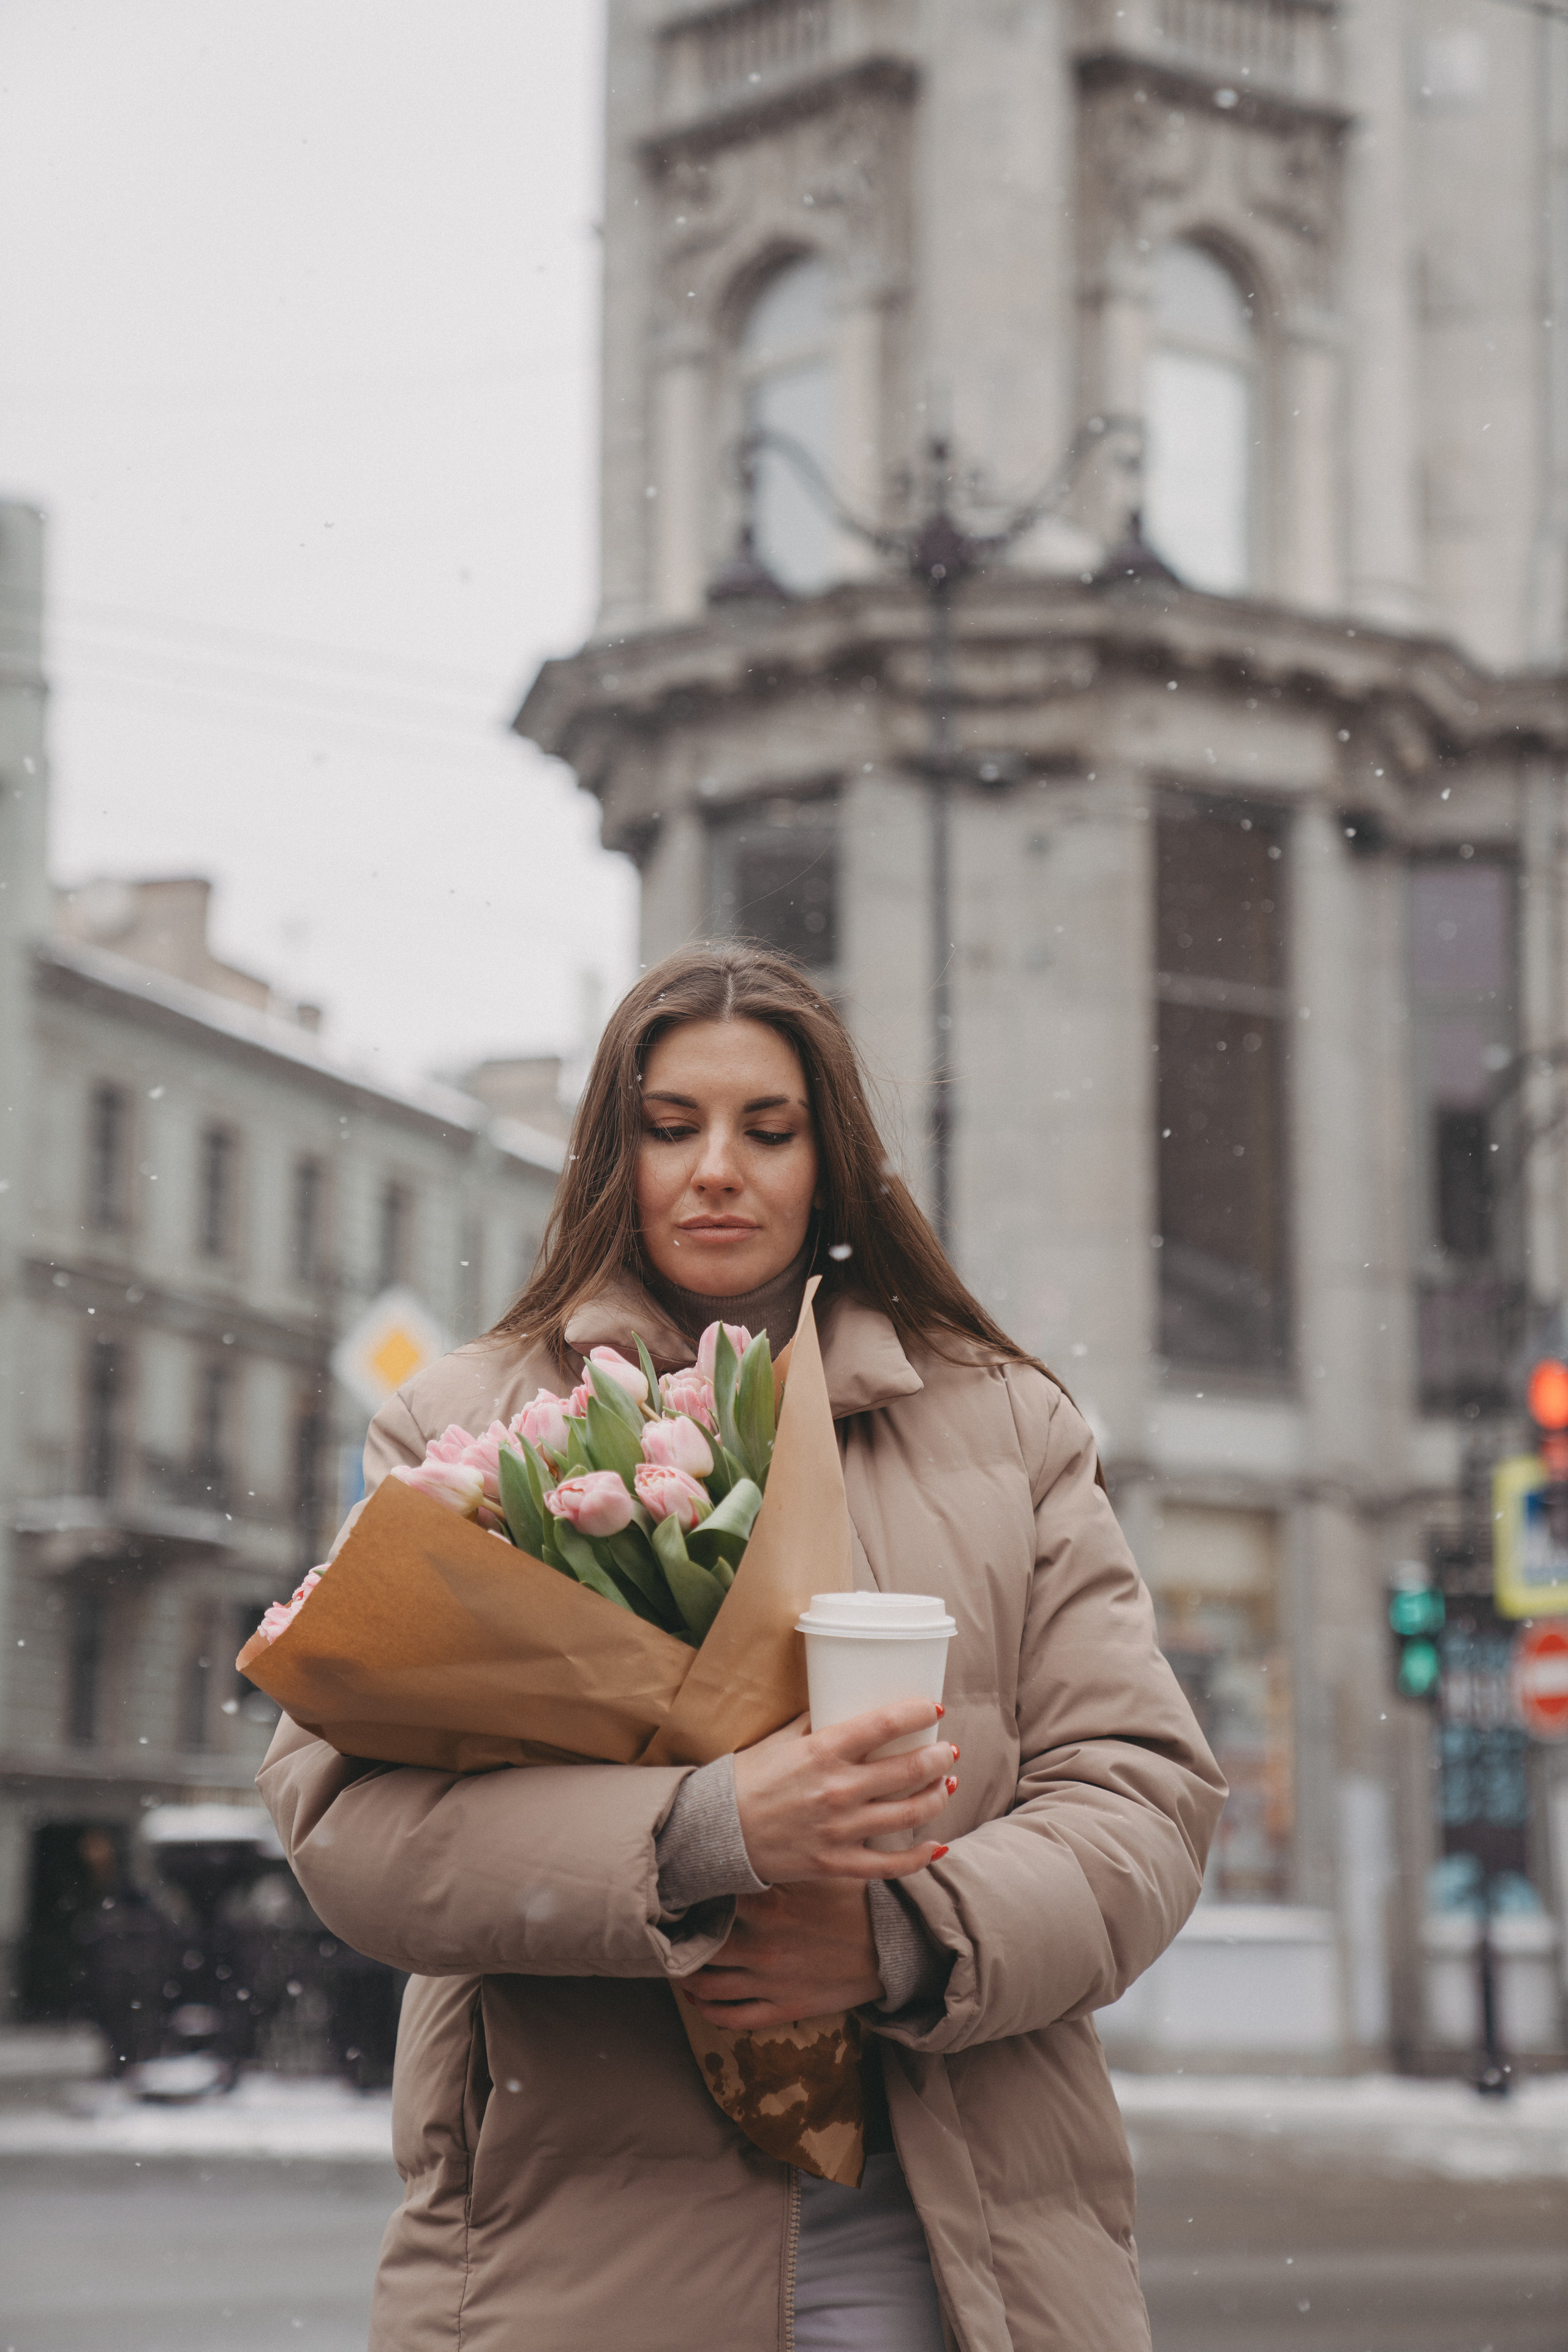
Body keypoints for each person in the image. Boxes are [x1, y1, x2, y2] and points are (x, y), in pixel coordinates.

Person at [259, 943, 1225, 2352]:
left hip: (958, 2254)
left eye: (766, 1130)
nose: (717, 1168)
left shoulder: (1008, 1427)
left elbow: (1141, 1794)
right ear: (613, 1155)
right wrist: (698, 1831)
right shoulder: (462, 1424)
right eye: (670, 1127)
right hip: (581, 2258)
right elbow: (349, 1824)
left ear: (828, 1161)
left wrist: (901, 1935)